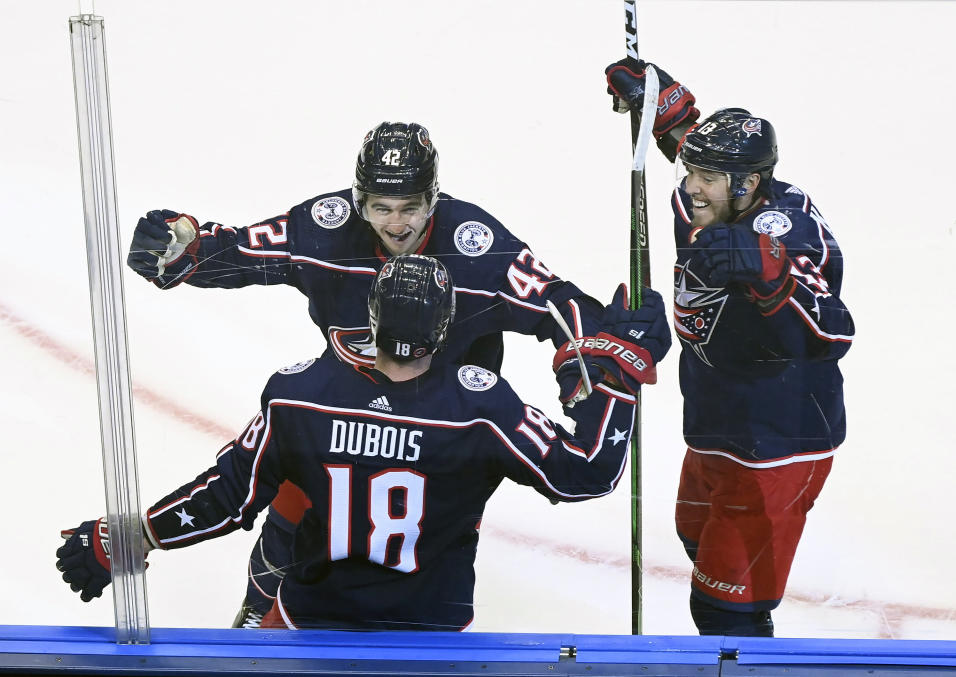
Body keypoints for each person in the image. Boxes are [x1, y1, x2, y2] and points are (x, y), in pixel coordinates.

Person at [125, 122, 614, 626]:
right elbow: (238, 252)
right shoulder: (325, 227)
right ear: (359, 201)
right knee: (288, 521)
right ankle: (261, 607)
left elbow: (561, 306)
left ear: (433, 197)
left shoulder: (478, 248)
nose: (397, 223)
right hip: (344, 413)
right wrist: (184, 250)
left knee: (421, 562)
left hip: (442, 438)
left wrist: (590, 358)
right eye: (381, 207)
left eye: (410, 207)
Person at [56, 255, 671, 631]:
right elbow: (586, 472)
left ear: (371, 320)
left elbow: (226, 496)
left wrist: (132, 536)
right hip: (433, 631)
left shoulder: (302, 392)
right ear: (445, 327)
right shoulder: (482, 405)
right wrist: (615, 379)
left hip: (311, 620)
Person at [605, 60, 855, 637]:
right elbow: (692, 145)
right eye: (690, 170)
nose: (691, 185)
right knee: (694, 536)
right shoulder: (708, 195)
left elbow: (835, 331)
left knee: (724, 615)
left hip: (776, 446)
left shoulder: (787, 231)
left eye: (707, 177)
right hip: (718, 423)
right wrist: (659, 109)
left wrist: (772, 276)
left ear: (748, 186)